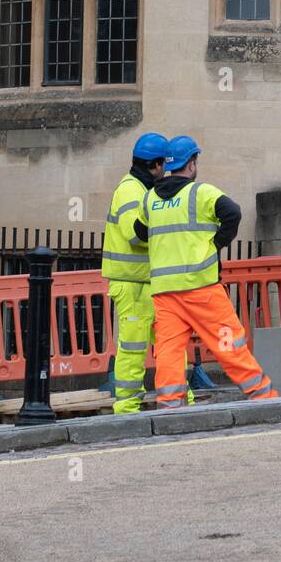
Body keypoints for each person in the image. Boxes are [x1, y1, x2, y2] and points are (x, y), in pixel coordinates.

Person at [134, 136, 278, 407]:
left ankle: (169, 406)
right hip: (201, 289)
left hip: (165, 294)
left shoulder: (149, 199)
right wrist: (215, 244)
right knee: (229, 346)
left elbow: (139, 232)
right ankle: (264, 397)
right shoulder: (201, 193)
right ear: (191, 163)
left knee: (169, 353)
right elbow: (233, 214)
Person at [102, 132, 168, 414]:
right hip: (132, 283)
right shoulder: (131, 190)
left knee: (167, 342)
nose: (166, 170)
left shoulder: (141, 189)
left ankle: (177, 397)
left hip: (143, 282)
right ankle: (127, 407)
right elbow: (135, 234)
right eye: (164, 164)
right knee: (132, 346)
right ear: (155, 165)